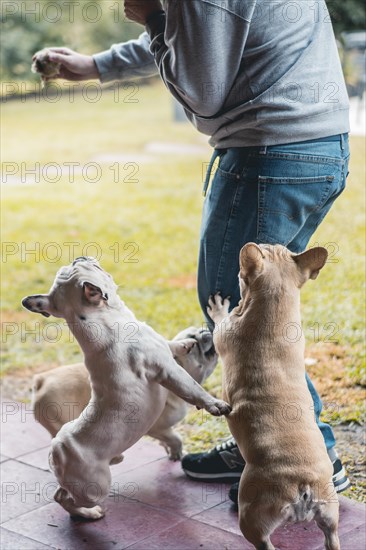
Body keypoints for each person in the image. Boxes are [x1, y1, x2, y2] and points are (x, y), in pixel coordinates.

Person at [45, 0, 351, 502]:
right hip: (311, 145)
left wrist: (154, 19)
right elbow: (207, 45)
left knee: (240, 317)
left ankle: (305, 462)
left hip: (267, 151)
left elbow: (201, 92)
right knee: (260, 311)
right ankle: (260, 445)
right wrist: (100, 65)